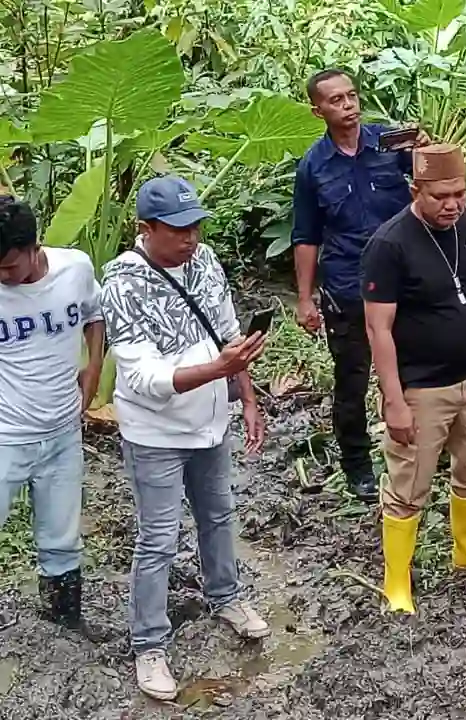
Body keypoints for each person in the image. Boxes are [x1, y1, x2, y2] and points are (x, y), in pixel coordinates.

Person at [101, 176, 271, 700]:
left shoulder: (205, 262)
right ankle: (148, 644)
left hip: (211, 420)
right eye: (177, 230)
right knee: (158, 538)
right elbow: (143, 379)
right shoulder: (121, 283)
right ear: (146, 229)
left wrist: (245, 394)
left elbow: (228, 332)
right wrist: (216, 367)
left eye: (195, 227)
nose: (190, 238)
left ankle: (227, 596)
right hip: (155, 430)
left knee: (218, 514)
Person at [363, 144, 466, 614]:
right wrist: (394, 400)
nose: (452, 204)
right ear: (416, 191)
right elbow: (379, 328)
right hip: (423, 387)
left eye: (459, 194)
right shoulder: (390, 245)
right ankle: (397, 581)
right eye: (440, 196)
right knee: (409, 483)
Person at [292, 68, 419, 502]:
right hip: (348, 284)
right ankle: (358, 467)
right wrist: (305, 297)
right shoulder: (313, 166)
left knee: (415, 369)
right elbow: (306, 235)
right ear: (318, 110)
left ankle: (415, 452)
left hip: (406, 280)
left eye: (352, 96)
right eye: (337, 100)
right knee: (352, 379)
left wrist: (428, 149)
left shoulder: (390, 141)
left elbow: (433, 182)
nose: (349, 106)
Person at [0, 195, 105, 638]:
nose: (1, 276)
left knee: (62, 539)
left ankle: (64, 625)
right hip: (6, 434)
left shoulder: (74, 268)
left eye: (8, 267)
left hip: (63, 431)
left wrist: (94, 368)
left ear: (33, 246)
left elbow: (94, 314)